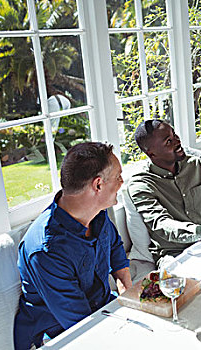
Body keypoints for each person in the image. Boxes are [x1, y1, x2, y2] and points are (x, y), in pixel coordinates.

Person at [14, 142, 132, 350]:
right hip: (59, 336)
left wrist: (129, 296)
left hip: (100, 313)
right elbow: (80, 325)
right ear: (98, 185)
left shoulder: (98, 215)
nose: (122, 182)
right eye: (118, 177)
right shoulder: (46, 250)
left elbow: (114, 248)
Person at [128, 119, 201, 264]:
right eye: (168, 141)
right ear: (151, 153)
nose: (177, 141)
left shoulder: (195, 165)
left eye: (174, 135)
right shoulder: (141, 184)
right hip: (175, 255)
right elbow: (162, 225)